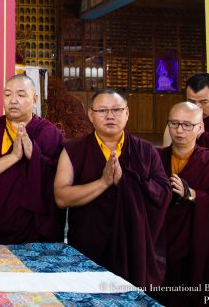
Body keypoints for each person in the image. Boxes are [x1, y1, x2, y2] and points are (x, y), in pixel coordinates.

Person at [54, 89, 171, 287]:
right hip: (88, 243)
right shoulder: (74, 150)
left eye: (116, 109)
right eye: (102, 111)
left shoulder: (146, 151)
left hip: (133, 244)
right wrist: (103, 182)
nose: (110, 115)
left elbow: (163, 193)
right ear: (91, 115)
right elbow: (61, 197)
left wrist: (127, 182)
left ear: (127, 113)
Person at [157, 102, 209, 306]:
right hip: (165, 245)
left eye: (187, 125)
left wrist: (194, 195)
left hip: (202, 247)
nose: (179, 130)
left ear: (200, 127)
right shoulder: (156, 158)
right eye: (174, 123)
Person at [0, 74, 65, 244]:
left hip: (32, 228)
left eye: (20, 95)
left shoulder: (49, 134)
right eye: (7, 94)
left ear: (34, 99)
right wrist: (13, 157)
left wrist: (34, 156)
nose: (12, 100)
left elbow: (60, 179)